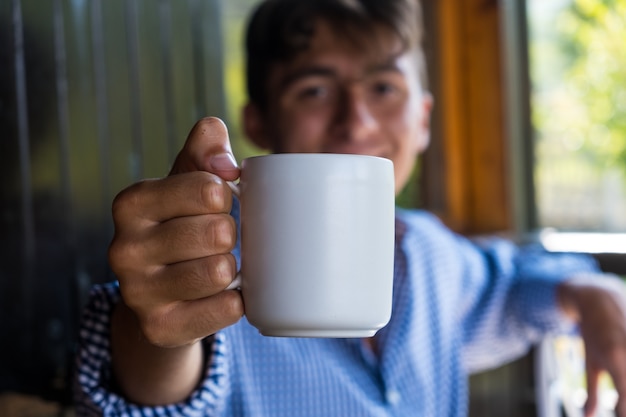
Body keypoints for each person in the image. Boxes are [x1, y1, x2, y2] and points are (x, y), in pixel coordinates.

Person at [74, 0, 626, 416]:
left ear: (424, 119)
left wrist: (594, 293)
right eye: (314, 90)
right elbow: (152, 385)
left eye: (384, 88)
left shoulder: (430, 252)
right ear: (259, 122)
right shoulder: (203, 261)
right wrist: (152, 330)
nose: (356, 121)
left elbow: (511, 284)